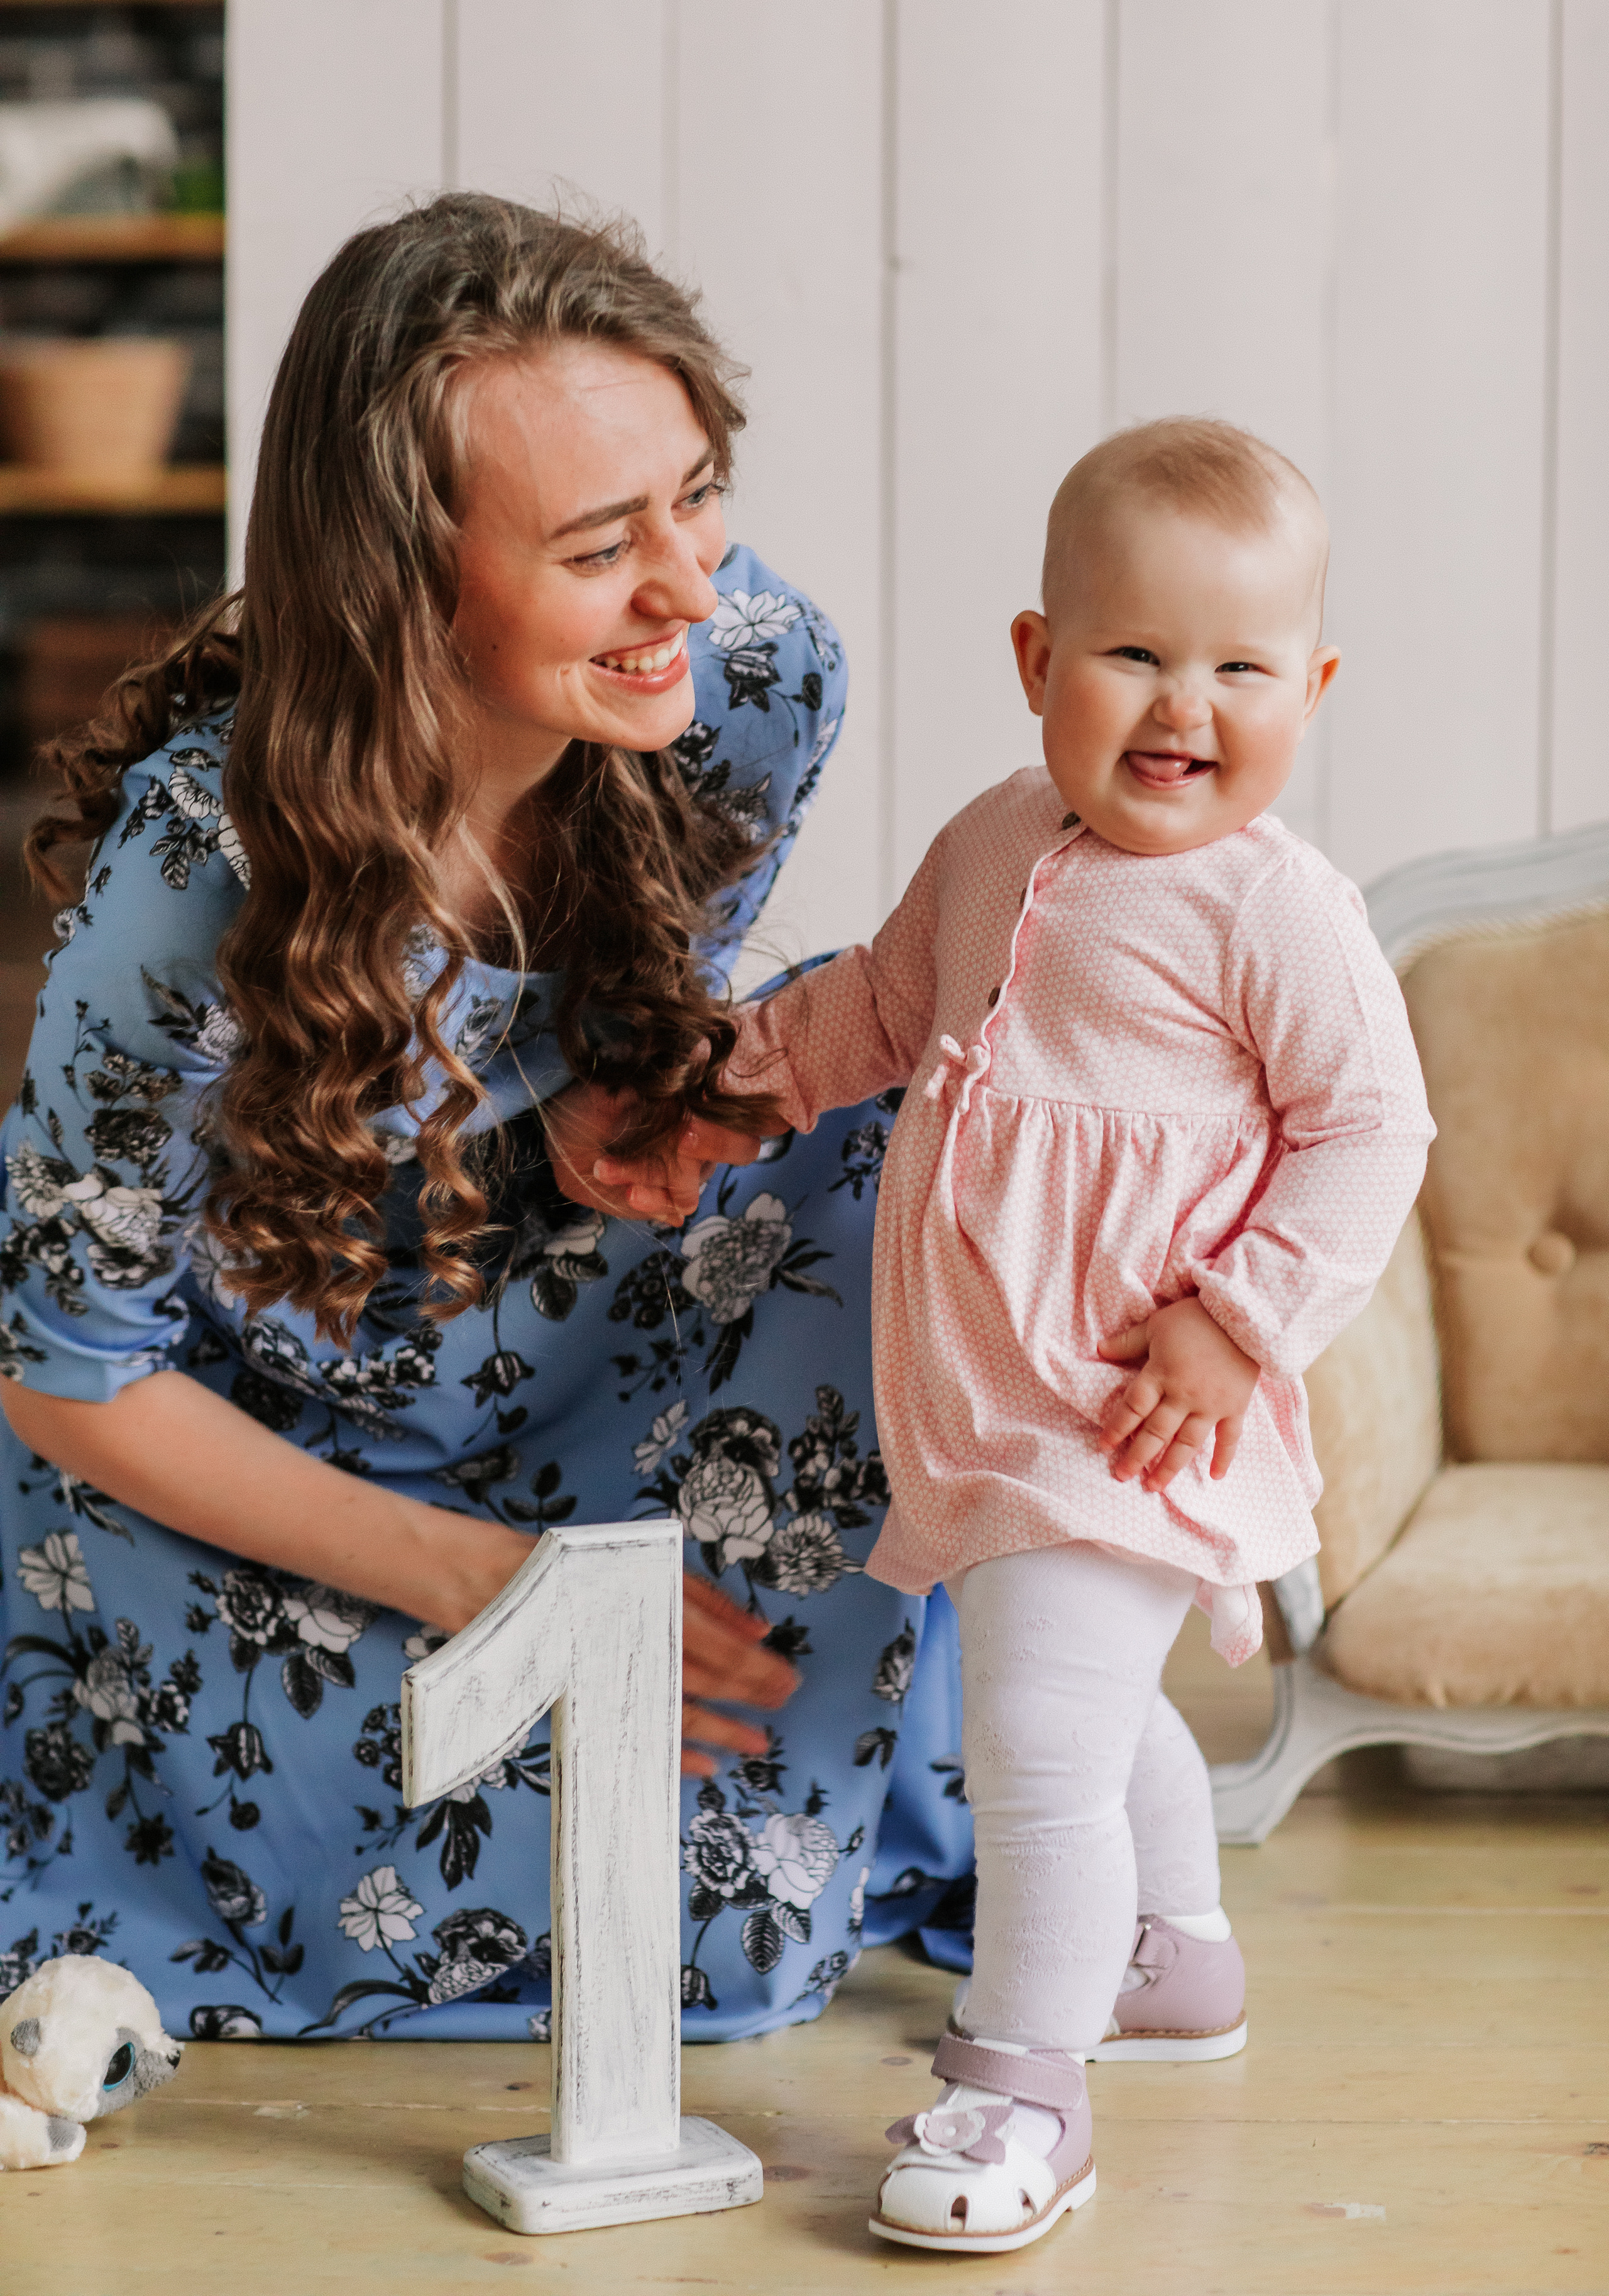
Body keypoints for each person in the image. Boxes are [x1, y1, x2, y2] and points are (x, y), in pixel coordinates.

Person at [0, 194, 974, 2043]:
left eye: (699, 495)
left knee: (881, 1149)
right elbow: (67, 1374)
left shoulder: (752, 679)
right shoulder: (200, 873)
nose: (690, 589)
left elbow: (663, 980)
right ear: (405, 584)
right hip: (249, 1418)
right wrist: (505, 1594)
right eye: (602, 544)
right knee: (454, 1859)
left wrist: (642, 1084)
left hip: (554, 1321)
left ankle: (797, 1773)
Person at [722, 419, 1436, 2251]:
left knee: (1036, 1741)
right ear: (1040, 660)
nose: (1185, 704)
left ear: (1312, 691)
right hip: (983, 1386)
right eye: (1133, 652)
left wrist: (1240, 1324)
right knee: (1087, 1709)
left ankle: (1025, 2081)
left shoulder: (1278, 908)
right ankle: (1174, 1956)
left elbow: (1373, 1133)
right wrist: (749, 1078)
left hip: (1134, 1395)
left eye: (1242, 669)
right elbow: (884, 1004)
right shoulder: (989, 840)